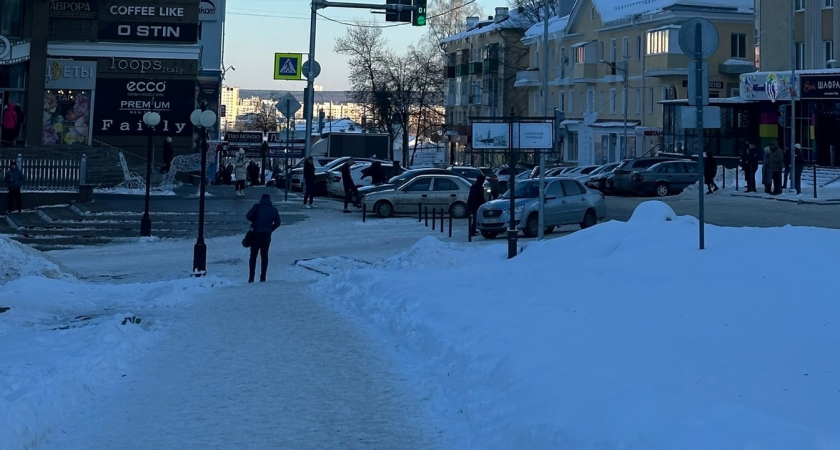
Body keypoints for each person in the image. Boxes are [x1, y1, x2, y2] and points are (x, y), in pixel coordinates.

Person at [245, 193, 281, 283]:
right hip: (266, 235)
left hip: (256, 234)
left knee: (253, 256)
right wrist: (270, 229)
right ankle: (263, 277)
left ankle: (251, 278)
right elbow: (278, 223)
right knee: (264, 255)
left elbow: (248, 216)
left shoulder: (257, 207)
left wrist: (255, 221)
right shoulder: (274, 210)